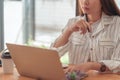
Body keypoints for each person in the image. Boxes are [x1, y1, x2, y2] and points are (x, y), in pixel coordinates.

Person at [51, 0, 120, 73]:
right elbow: (51, 56)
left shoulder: (117, 24)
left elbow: (118, 63)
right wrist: (68, 31)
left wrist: (91, 66)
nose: (84, 2)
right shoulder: (72, 22)